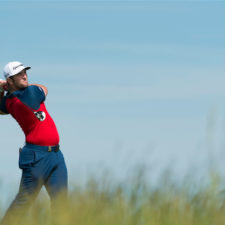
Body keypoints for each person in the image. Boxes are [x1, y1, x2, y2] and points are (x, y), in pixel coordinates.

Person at [0, 61, 68, 224]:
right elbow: (44, 88)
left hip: (56, 155)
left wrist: (3, 88)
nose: (24, 76)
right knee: (24, 202)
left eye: (25, 72)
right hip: (37, 157)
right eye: (19, 74)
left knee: (61, 203)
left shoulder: (10, 101)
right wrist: (5, 87)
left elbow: (0, 109)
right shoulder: (30, 93)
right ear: (10, 80)